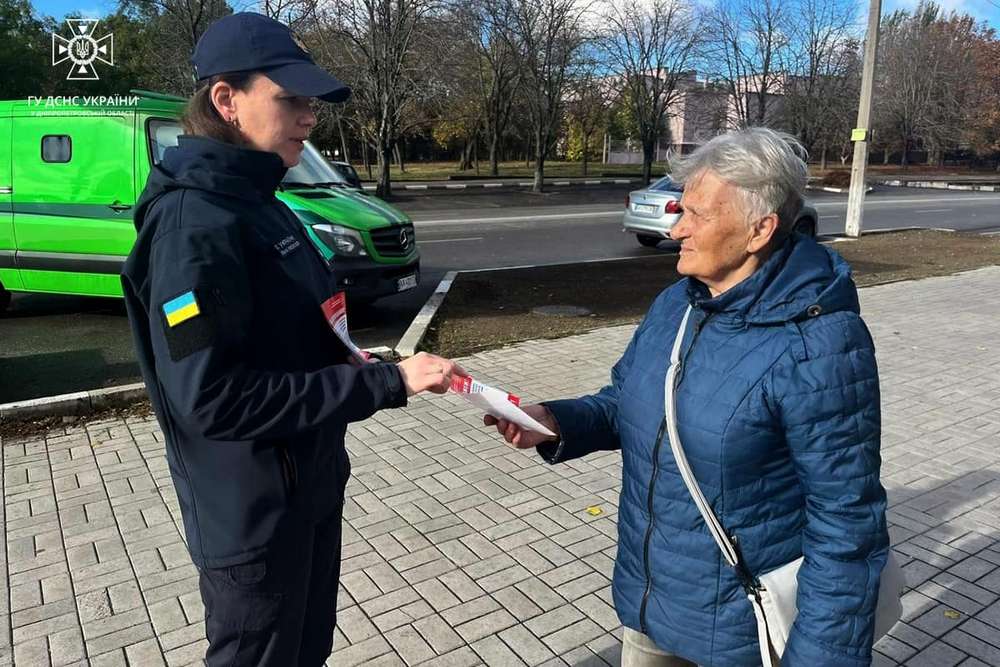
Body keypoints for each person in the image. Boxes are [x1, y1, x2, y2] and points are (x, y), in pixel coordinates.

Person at [121, 12, 462, 666]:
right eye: (290, 99)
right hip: (252, 519)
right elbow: (214, 398)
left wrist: (377, 363)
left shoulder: (260, 200)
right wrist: (383, 383)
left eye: (312, 102)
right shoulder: (193, 227)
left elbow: (298, 329)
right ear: (226, 100)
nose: (309, 117)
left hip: (306, 489)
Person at [486, 128, 890, 666]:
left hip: (742, 631)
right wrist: (555, 421)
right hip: (652, 607)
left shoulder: (819, 344)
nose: (677, 230)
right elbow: (626, 401)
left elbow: (847, 524)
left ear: (758, 230)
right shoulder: (679, 303)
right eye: (681, 211)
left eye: (697, 215)